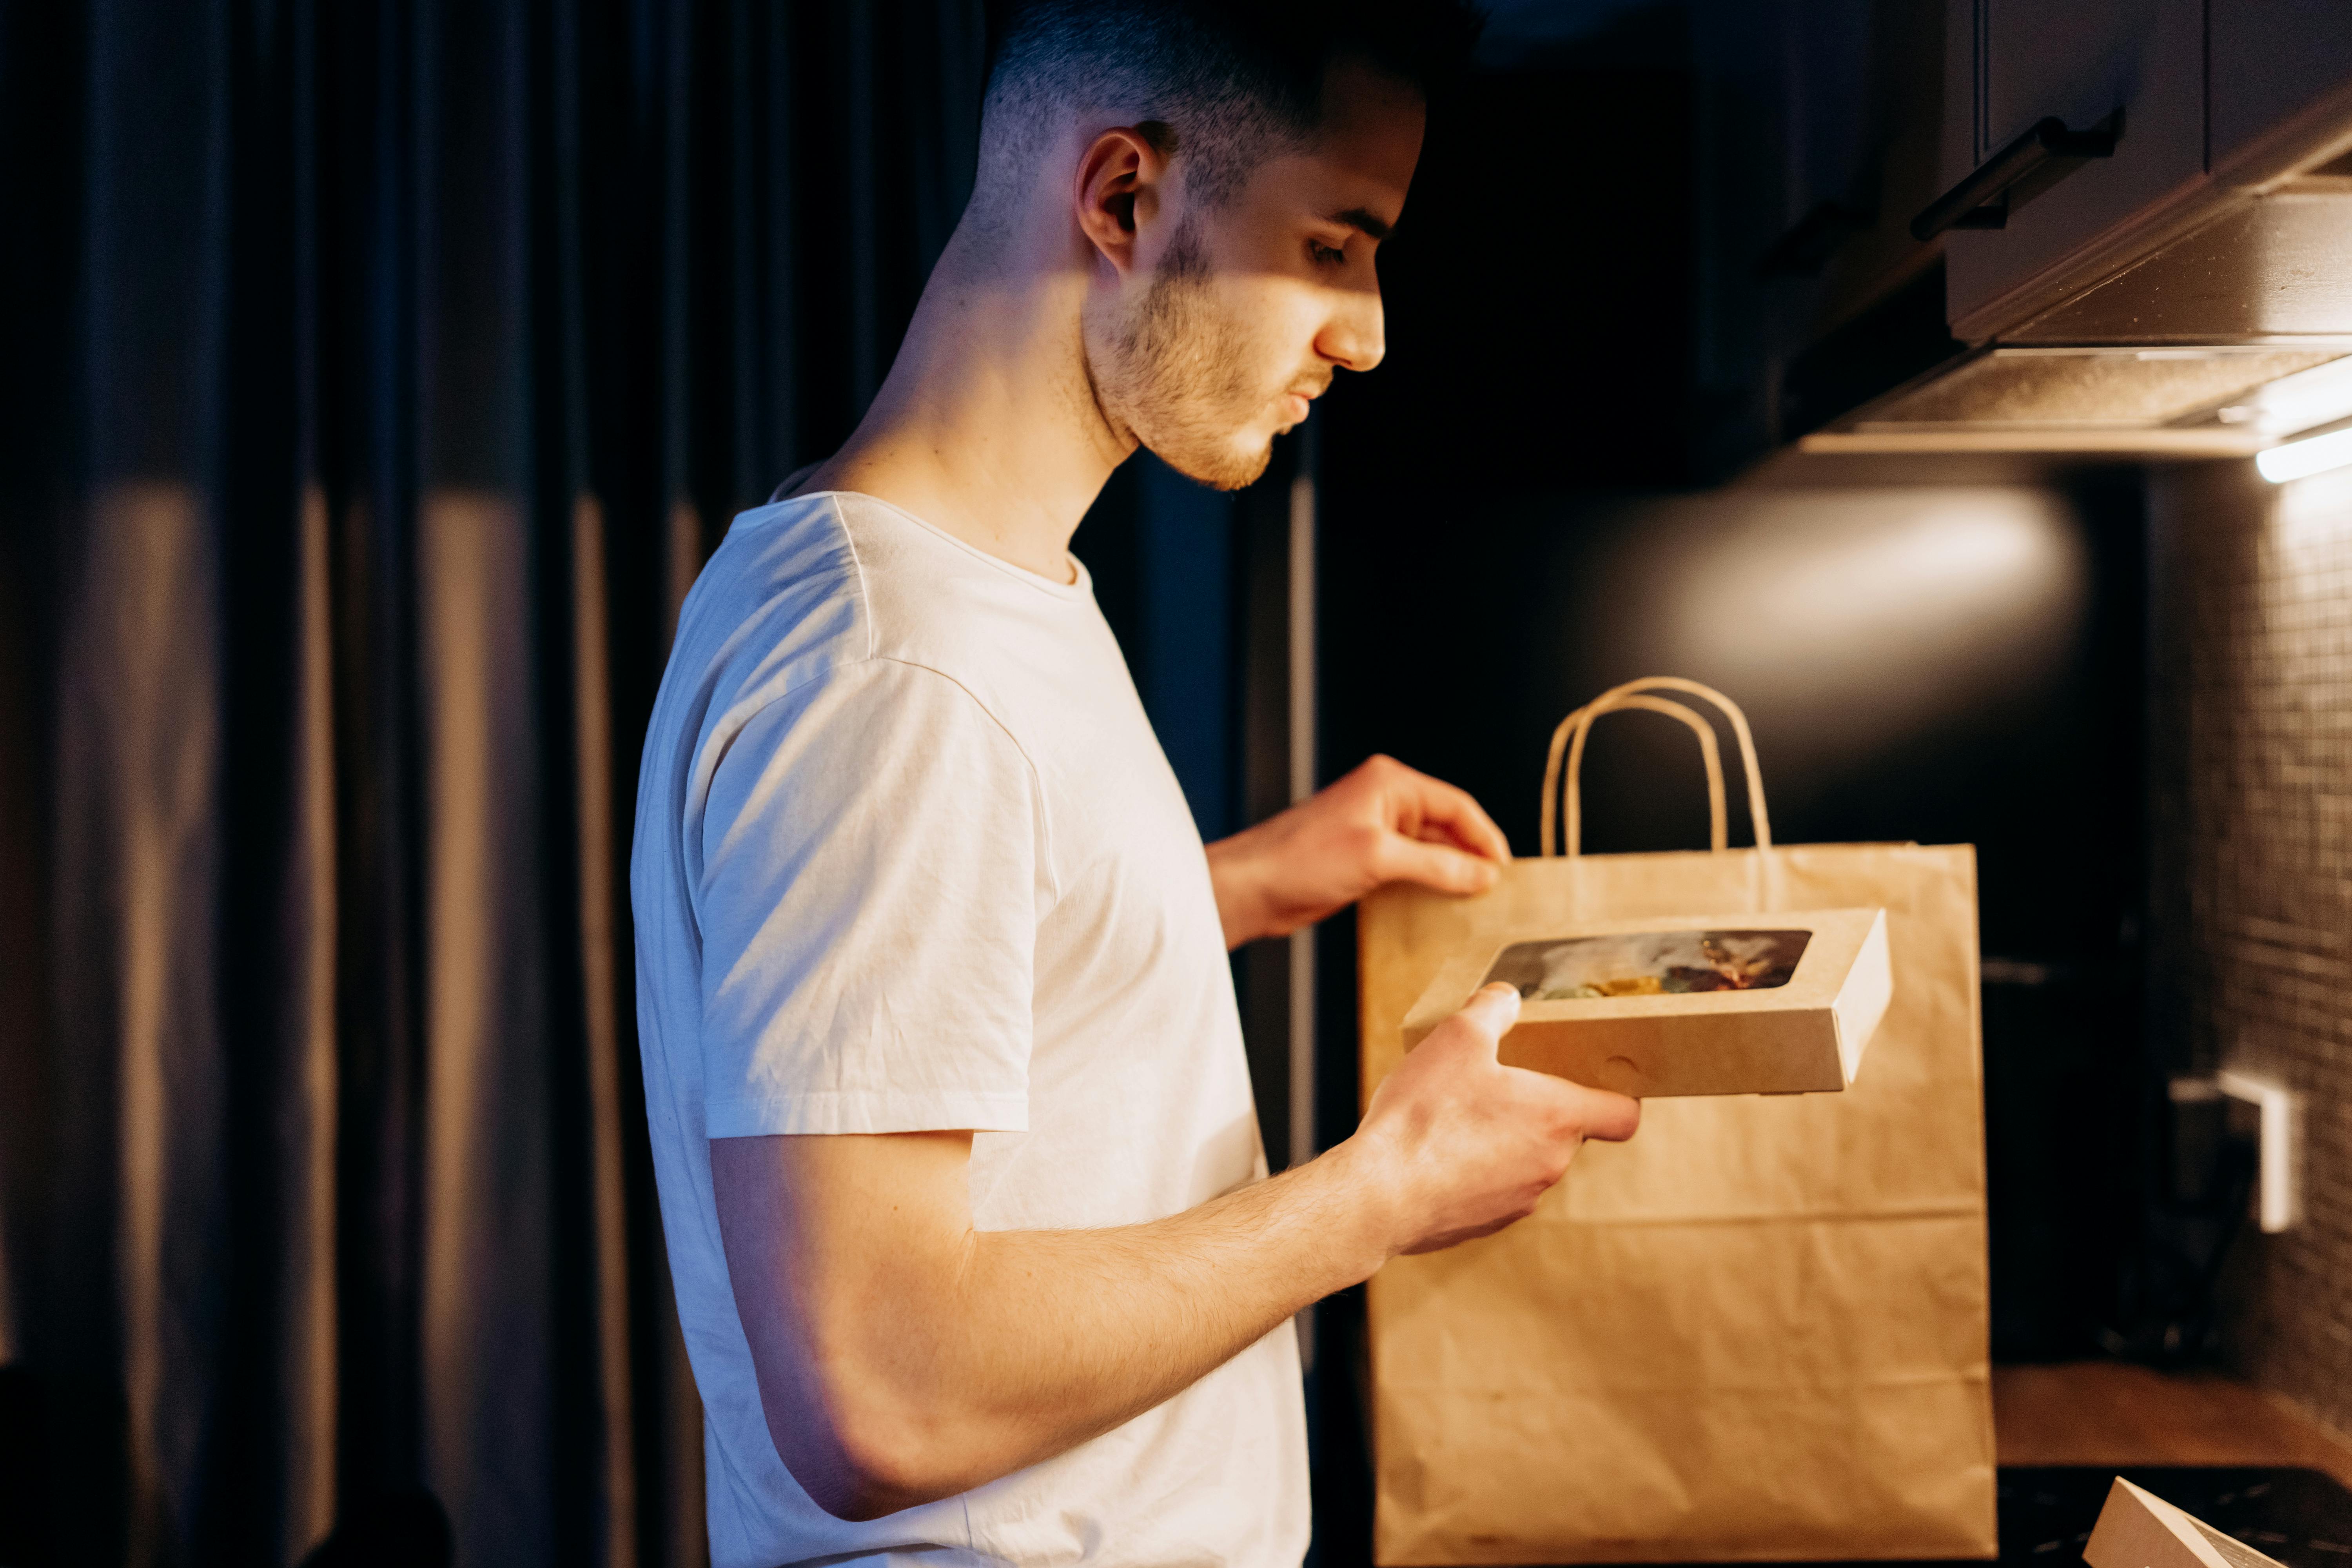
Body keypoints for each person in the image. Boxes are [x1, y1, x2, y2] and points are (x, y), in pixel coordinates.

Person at [628, 3, 1642, 1563]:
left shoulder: (936, 591)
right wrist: (1384, 1188)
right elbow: (878, 1393)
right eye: (1331, 246)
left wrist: (1221, 885)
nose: (1368, 333)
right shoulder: (901, 668)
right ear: (1121, 201)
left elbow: (941, 964)